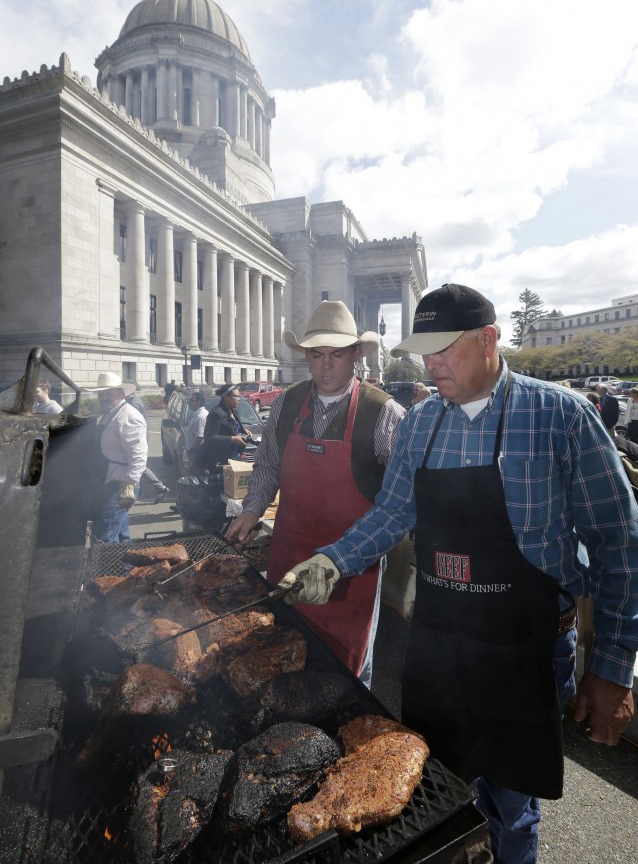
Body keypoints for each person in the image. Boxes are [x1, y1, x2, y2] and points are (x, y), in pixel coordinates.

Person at [278, 284, 638, 864]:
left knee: (512, 803)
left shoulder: (559, 415)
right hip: (440, 642)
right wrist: (332, 559)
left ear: (489, 339)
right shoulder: (422, 422)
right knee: (437, 788)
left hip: (525, 648)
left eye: (444, 349)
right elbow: (393, 513)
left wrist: (614, 670)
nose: (431, 364)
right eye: (425, 352)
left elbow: (620, 544)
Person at [227, 300, 406, 686]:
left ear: (356, 355)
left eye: (336, 355)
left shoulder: (384, 413)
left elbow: (402, 501)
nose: (326, 366)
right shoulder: (287, 402)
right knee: (283, 657)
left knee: (347, 673)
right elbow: (269, 464)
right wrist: (251, 509)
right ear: (307, 356)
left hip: (351, 566)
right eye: (317, 355)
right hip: (290, 550)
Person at [90, 372, 148, 543]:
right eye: (102, 393)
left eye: (109, 393)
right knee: (121, 534)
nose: (104, 397)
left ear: (121, 393)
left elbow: (138, 454)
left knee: (104, 536)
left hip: (120, 485)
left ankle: (104, 569)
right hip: (110, 482)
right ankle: (124, 569)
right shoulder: (111, 413)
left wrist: (128, 485)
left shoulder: (128, 416)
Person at [124, 383, 170, 503]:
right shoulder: (135, 401)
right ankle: (159, 488)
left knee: (138, 466)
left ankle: (158, 488)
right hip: (140, 438)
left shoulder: (133, 404)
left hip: (137, 439)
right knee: (139, 466)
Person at [200, 384, 253, 466]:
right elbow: (209, 439)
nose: (239, 399)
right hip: (221, 461)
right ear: (226, 397)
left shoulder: (234, 411)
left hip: (236, 458)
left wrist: (243, 431)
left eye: (239, 396)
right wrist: (232, 439)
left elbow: (232, 429)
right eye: (236, 396)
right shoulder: (216, 413)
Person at [184, 390, 209, 470]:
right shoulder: (197, 415)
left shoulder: (200, 417)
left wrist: (192, 454)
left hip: (197, 453)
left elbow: (200, 438)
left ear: (199, 402)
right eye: (189, 400)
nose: (189, 402)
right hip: (194, 452)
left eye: (191, 400)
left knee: (197, 476)